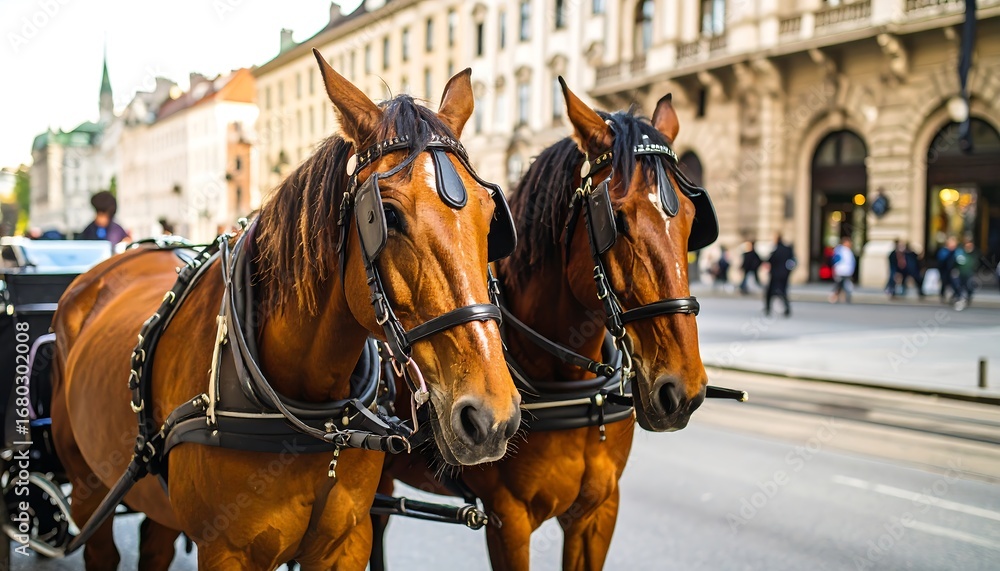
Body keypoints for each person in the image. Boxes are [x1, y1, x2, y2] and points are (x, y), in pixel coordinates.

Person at [764, 233, 795, 317]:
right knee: (783, 292)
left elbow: (770, 260)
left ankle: (768, 309)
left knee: (770, 293)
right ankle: (786, 308)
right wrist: (788, 271)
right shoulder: (788, 249)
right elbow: (793, 261)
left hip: (775, 275)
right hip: (784, 275)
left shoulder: (776, 250)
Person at [952, 238, 980, 310]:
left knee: (969, 287)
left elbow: (976, 263)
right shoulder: (960, 253)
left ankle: (967, 298)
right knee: (958, 286)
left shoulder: (974, 254)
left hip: (969, 273)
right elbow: (955, 262)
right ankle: (958, 298)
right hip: (961, 272)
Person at [829, 236, 856, 303]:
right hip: (841, 270)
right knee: (841, 284)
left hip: (847, 271)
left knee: (842, 285)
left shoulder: (848, 251)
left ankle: (838, 296)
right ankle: (835, 296)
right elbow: (836, 260)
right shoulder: (840, 250)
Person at [935, 236, 959, 303]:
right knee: (944, 283)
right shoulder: (944, 251)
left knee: (955, 284)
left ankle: (955, 296)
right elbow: (941, 260)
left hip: (953, 270)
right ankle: (943, 296)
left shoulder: (957, 251)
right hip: (944, 271)